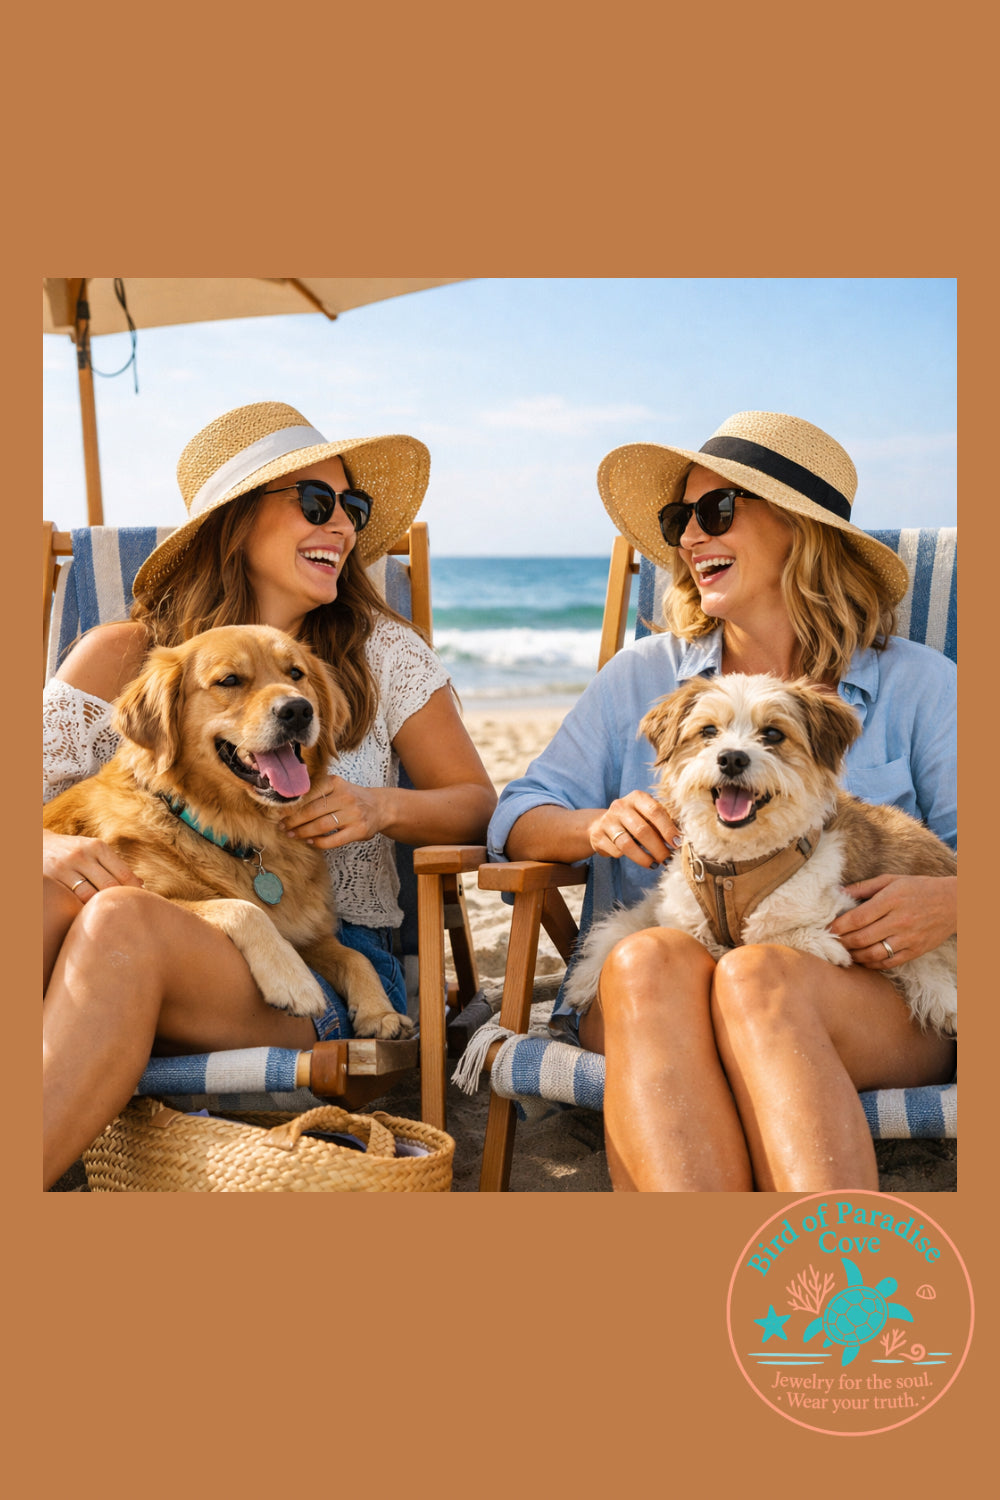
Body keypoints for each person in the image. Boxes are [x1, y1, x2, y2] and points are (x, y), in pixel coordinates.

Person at [488, 411, 956, 1193]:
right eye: (680, 521)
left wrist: (956, 899)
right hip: (659, 1001)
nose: (691, 539)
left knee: (759, 978)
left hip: (864, 998)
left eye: (717, 512)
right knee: (648, 958)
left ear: (801, 530)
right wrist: (591, 823)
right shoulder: (644, 675)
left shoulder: (920, 685)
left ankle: (828, 1281)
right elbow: (517, 814)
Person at [43, 401, 497, 1189]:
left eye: (351, 510)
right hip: (104, 959)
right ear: (235, 524)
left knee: (118, 918)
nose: (345, 529)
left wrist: (379, 809)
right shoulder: (129, 656)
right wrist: (45, 845)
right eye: (316, 505)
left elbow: (476, 803)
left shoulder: (378, 652)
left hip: (320, 976)